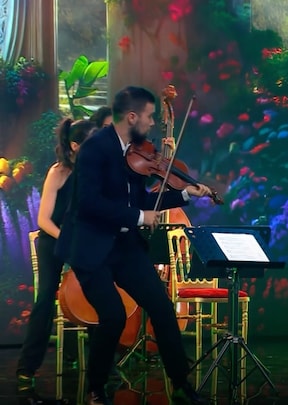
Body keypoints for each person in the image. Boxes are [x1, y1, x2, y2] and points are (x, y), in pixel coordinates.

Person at [56, 86, 211, 405]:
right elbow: (88, 204)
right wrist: (140, 216)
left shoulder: (136, 152)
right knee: (112, 315)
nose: (153, 123)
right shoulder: (95, 149)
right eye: (150, 116)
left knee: (161, 307)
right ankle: (96, 390)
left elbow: (143, 199)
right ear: (131, 117)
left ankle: (181, 385)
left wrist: (183, 194)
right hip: (92, 246)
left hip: (124, 245)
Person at [16, 118, 95, 389]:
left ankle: (96, 364)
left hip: (79, 242)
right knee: (46, 297)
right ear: (75, 145)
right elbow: (44, 220)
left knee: (97, 292)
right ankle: (27, 368)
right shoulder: (58, 172)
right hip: (54, 240)